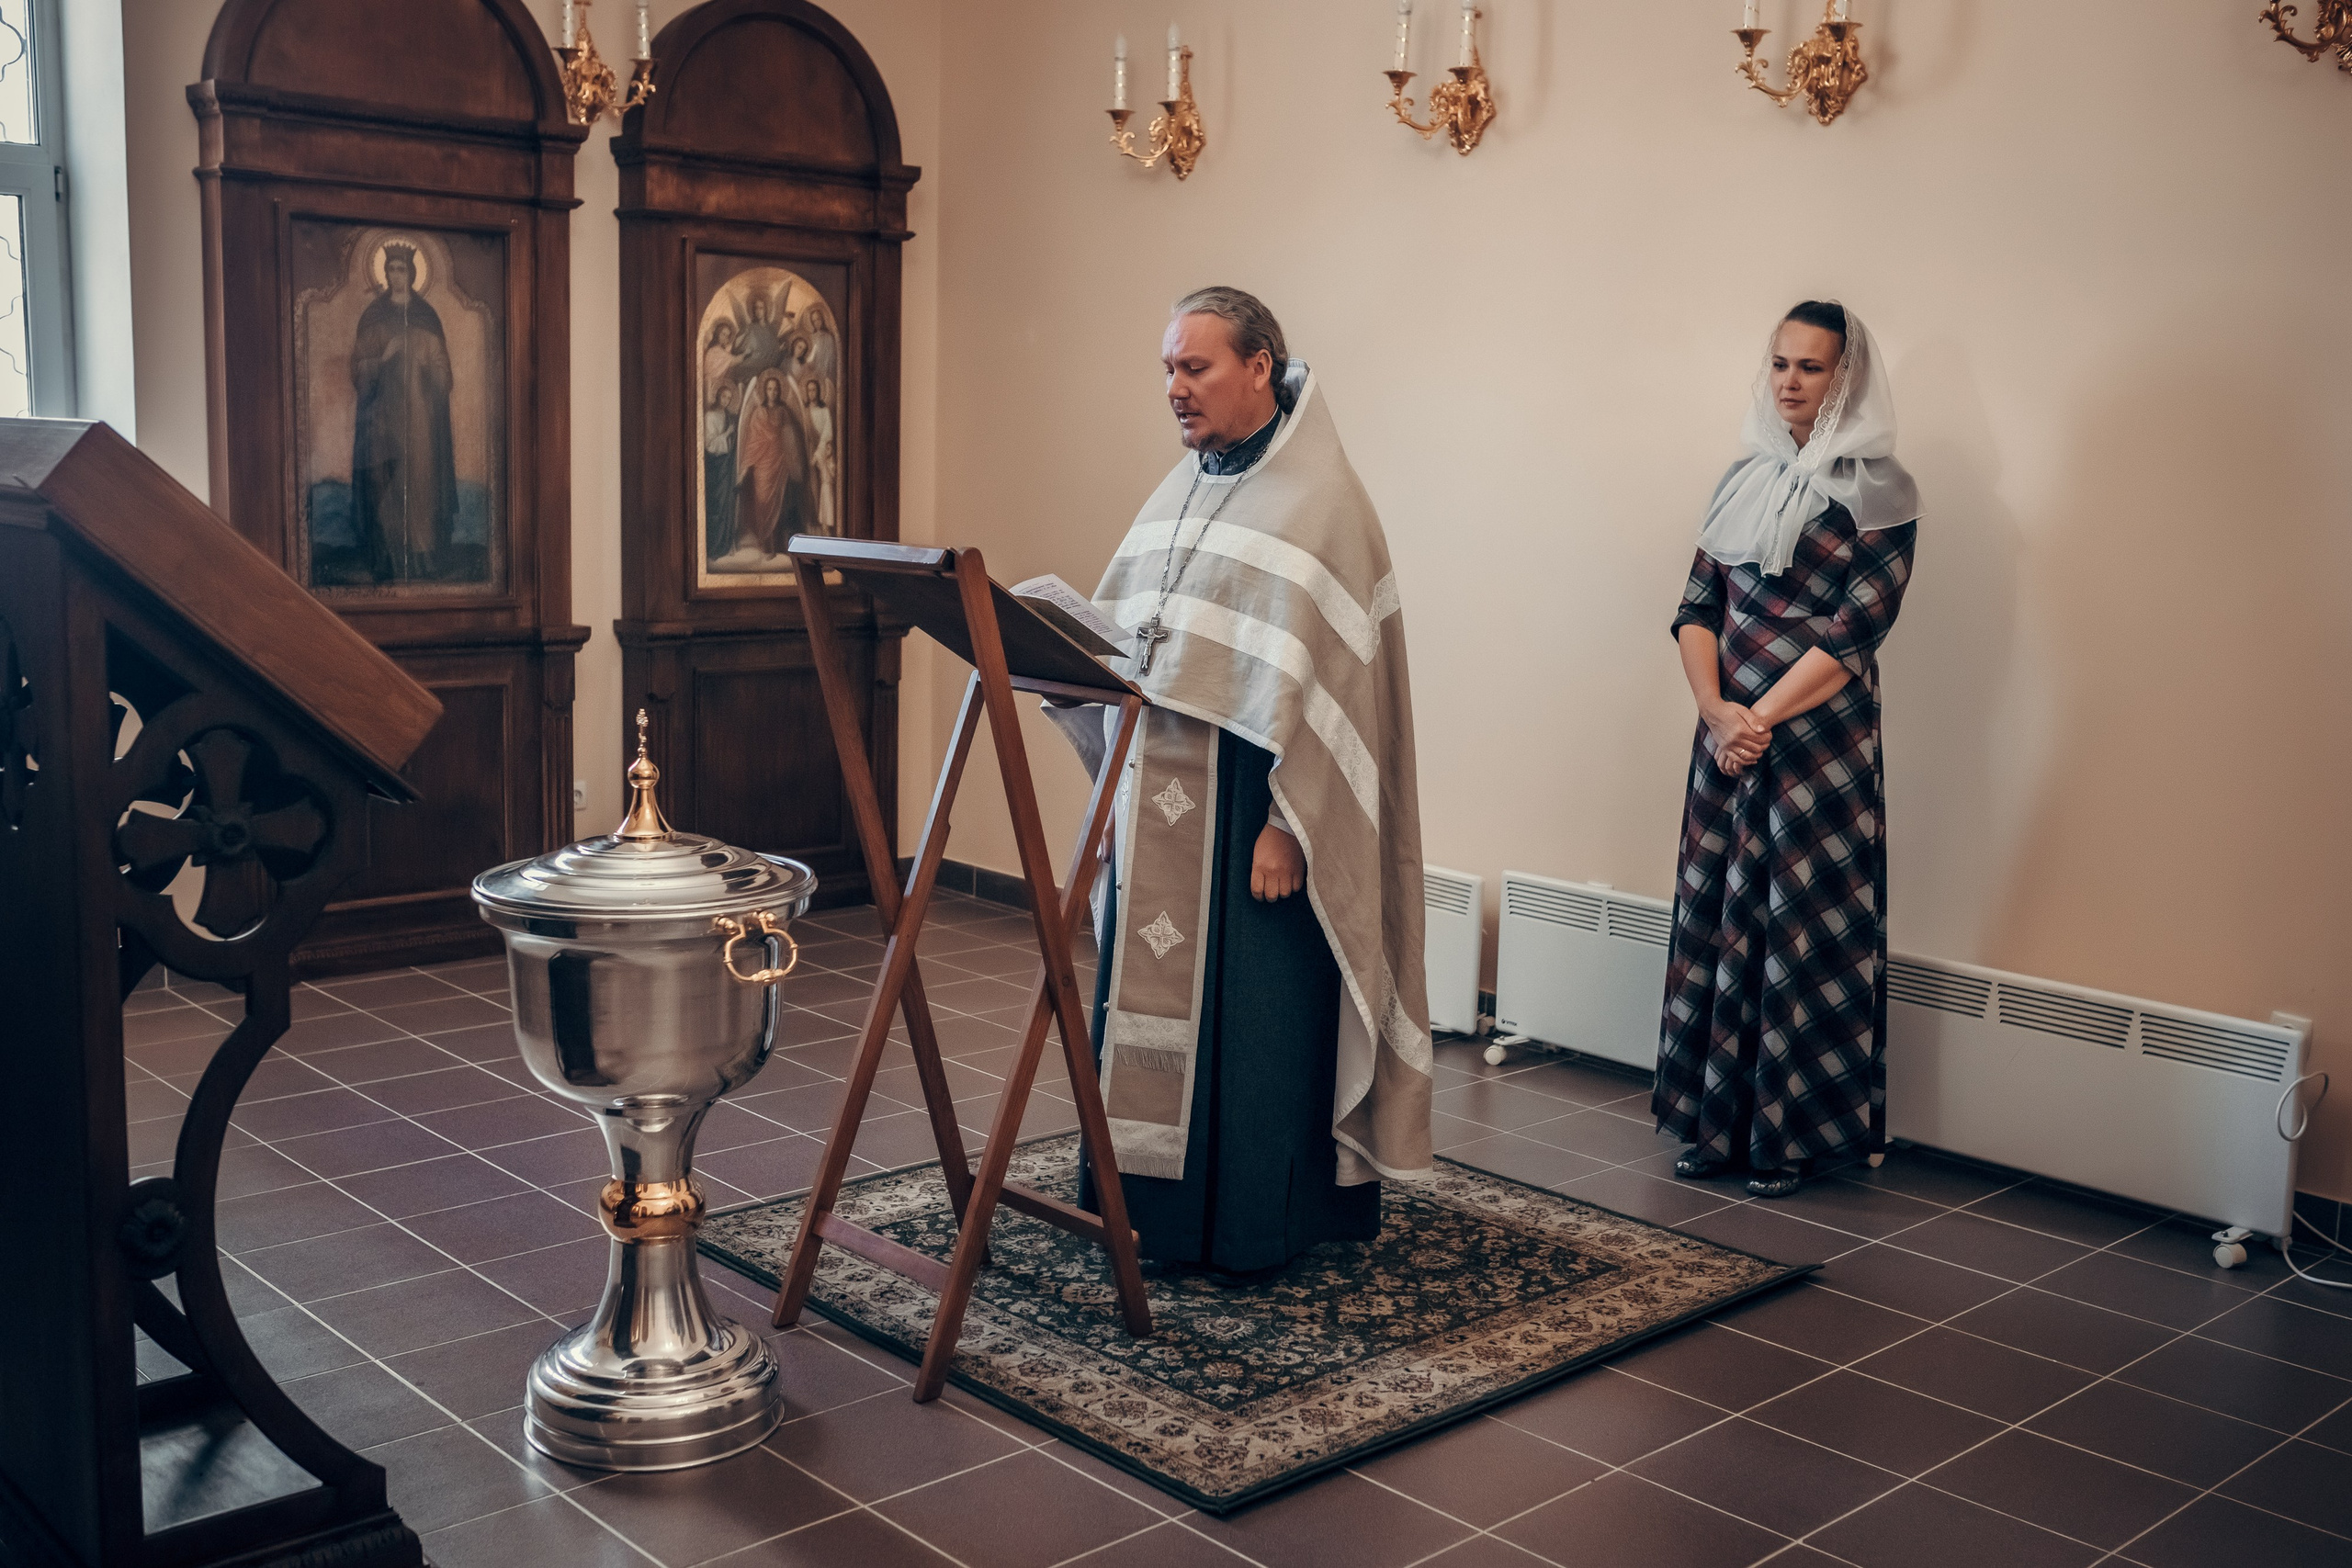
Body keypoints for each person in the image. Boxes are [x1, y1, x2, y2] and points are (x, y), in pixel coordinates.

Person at [1051, 286, 1432, 1278]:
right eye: (1168, 371)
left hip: (1252, 821)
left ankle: (1258, 1226)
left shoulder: (1322, 503)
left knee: (1253, 1029)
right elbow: (1138, 638)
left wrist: (1286, 828)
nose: (1175, 390)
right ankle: (1150, 1218)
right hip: (1163, 799)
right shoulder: (1183, 487)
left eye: (1195, 368)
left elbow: (1334, 698)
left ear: (1259, 366)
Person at [1654, 300, 1921, 1200]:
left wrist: (1755, 717)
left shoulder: (1883, 492)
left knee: (1798, 929)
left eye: (1810, 367)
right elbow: (1695, 607)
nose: (1789, 381)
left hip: (1817, 748)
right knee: (1720, 919)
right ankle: (1714, 1128)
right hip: (1727, 738)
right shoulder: (1740, 477)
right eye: (1779, 363)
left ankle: (1791, 1138)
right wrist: (1715, 712)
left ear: (1846, 379)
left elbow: (1856, 631)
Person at [349, 243, 458, 582]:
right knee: (386, 487)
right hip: (382, 422)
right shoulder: (374, 317)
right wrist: (382, 359)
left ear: (412, 274)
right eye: (392, 270)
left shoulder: (427, 318)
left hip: (421, 422)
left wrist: (431, 369)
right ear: (385, 274)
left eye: (403, 270)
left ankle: (424, 557)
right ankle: (387, 556)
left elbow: (444, 375)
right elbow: (358, 370)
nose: (397, 276)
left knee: (422, 486)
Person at [731, 371, 808, 557]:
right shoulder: (758, 413)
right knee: (762, 502)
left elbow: (790, 439)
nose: (773, 392)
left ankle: (777, 545)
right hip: (762, 466)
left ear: (779, 391)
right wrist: (745, 467)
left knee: (781, 505)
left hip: (780, 463)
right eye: (769, 389)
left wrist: (793, 462)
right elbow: (752, 443)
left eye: (775, 389)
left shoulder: (783, 412)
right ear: (764, 391)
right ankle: (764, 543)